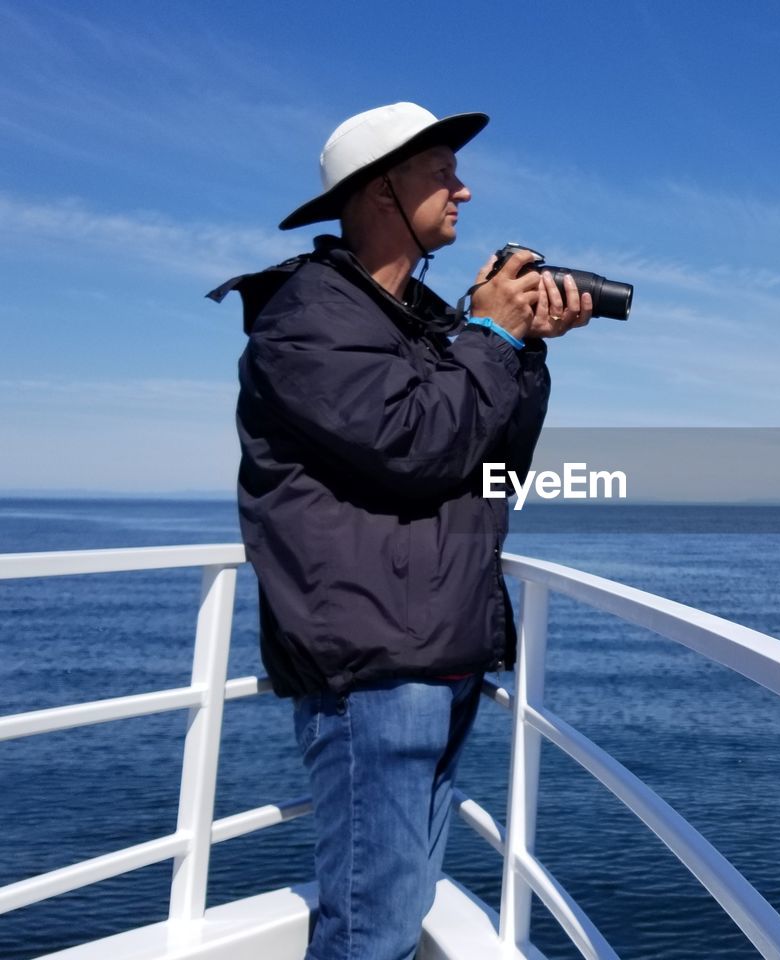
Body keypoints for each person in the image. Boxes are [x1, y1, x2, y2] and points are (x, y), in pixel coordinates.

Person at [209, 101, 589, 960]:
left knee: (402, 907)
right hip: (373, 670)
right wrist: (490, 332)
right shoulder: (307, 318)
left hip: (434, 652)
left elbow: (494, 466)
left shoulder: (415, 321)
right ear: (379, 190)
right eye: (441, 172)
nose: (464, 188)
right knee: (370, 928)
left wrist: (524, 351)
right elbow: (416, 446)